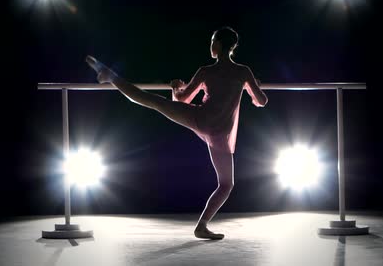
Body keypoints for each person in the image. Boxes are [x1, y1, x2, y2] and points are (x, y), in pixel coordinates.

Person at [86, 26, 268, 239]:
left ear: (217, 46)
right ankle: (201, 226)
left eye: (212, 42)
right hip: (219, 131)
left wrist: (175, 87)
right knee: (226, 185)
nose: (211, 45)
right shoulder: (243, 72)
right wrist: (252, 87)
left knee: (152, 101)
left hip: (199, 119)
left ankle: (111, 76)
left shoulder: (206, 71)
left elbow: (182, 100)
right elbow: (262, 101)